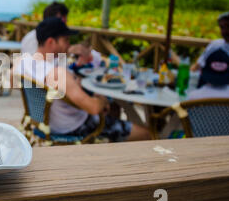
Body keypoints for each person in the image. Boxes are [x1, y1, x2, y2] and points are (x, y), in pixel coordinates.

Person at [13, 17, 151, 142]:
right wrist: (103, 99)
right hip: (73, 127)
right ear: (51, 41)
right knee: (146, 134)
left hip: (44, 123)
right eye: (66, 40)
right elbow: (94, 108)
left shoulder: (22, 63)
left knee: (113, 115)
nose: (69, 45)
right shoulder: (58, 74)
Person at [191, 11, 229, 86]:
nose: (225, 31)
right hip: (202, 85)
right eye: (222, 27)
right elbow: (196, 67)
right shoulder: (215, 44)